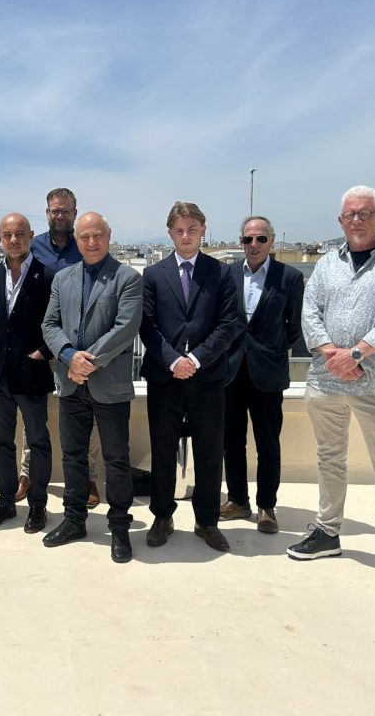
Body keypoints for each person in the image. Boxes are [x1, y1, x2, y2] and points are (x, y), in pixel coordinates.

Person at [288, 185, 375, 600]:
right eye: (350, 214)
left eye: (365, 213)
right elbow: (310, 312)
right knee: (329, 459)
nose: (357, 220)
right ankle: (327, 532)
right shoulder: (327, 264)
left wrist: (358, 353)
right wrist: (334, 354)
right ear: (340, 221)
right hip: (326, 379)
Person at [139, 202, 243, 551]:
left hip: (208, 377)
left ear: (203, 230)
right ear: (170, 233)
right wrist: (173, 361)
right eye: (179, 230)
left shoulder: (222, 273)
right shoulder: (153, 275)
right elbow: (147, 325)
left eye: (192, 229)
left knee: (210, 451)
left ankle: (207, 520)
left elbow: (229, 323)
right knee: (162, 450)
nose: (186, 236)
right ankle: (162, 516)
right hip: (164, 377)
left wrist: (195, 359)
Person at [41, 212, 142, 563]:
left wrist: (87, 362)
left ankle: (119, 527)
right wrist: (69, 356)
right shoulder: (62, 278)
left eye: (97, 235)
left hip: (108, 385)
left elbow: (126, 327)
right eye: (84, 236)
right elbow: (49, 324)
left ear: (109, 236)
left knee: (116, 460)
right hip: (71, 384)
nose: (91, 242)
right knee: (72, 456)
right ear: (76, 240)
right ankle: (74, 520)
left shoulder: (127, 278)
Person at [0, 213, 55, 534]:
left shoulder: (48, 276)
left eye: (20, 234)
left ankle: (38, 505)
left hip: (32, 373)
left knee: (39, 442)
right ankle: (5, 501)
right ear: (0, 239)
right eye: (8, 235)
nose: (14, 240)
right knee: (1, 442)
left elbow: (58, 322)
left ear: (31, 235)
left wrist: (43, 352)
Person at [221, 215, 304, 534]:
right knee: (232, 442)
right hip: (231, 372)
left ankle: (266, 506)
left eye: (260, 238)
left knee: (268, 444)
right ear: (240, 242)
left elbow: (294, 328)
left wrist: (268, 350)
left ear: (272, 241)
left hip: (267, 374)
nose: (253, 244)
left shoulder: (290, 277)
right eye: (247, 239)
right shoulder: (227, 275)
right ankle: (238, 500)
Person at [28, 186, 102, 507]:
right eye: (55, 210)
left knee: (88, 414)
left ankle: (89, 477)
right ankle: (27, 474)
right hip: (38, 346)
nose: (60, 215)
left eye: (66, 210)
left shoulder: (85, 245)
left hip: (77, 347)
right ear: (47, 213)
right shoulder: (32, 247)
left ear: (74, 213)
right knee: (33, 413)